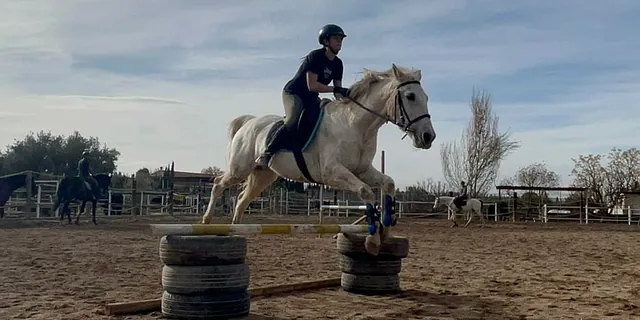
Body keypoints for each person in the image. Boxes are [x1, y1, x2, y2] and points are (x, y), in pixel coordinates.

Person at [255, 24, 351, 168]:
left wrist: (348, 104)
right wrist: (336, 88)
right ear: (326, 41)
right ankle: (267, 153)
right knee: (292, 119)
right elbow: (312, 86)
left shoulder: (338, 64)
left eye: (341, 39)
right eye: (336, 38)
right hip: (294, 93)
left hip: (311, 97)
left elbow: (337, 91)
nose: (339, 42)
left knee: (321, 120)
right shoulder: (315, 56)